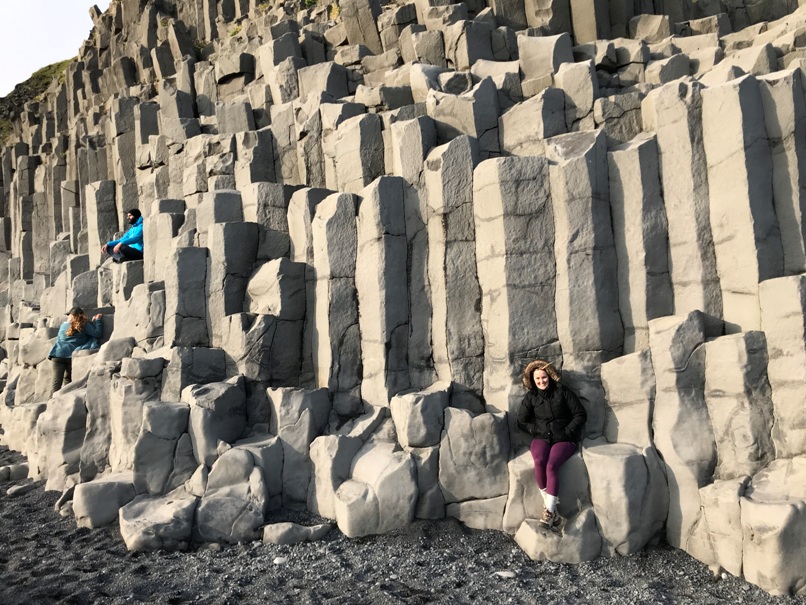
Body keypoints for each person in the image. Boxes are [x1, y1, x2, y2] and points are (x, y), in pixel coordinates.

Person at [516, 359, 587, 529]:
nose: (541, 381)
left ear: (549, 376)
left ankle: (547, 514)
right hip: (541, 437)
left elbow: (580, 414)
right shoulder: (531, 397)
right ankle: (553, 511)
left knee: (551, 466)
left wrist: (567, 431)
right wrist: (536, 430)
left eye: (544, 377)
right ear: (533, 381)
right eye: (538, 379)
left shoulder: (562, 392)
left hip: (564, 438)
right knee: (539, 462)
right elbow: (521, 421)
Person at [48, 307, 103, 393]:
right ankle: (65, 402)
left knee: (56, 384)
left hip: (57, 354)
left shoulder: (63, 325)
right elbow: (97, 334)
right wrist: (98, 321)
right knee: (68, 382)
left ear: (71, 315)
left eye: (68, 315)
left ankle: (50, 403)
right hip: (71, 356)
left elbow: (59, 338)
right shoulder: (84, 325)